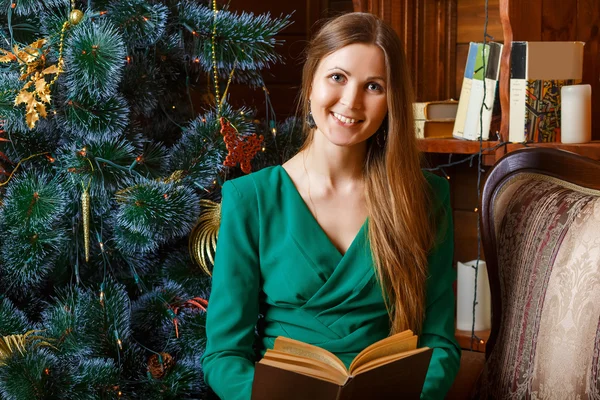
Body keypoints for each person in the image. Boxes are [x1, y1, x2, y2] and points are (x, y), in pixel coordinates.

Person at [201, 12, 460, 400]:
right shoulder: (250, 198)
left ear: (392, 102)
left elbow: (439, 343)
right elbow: (224, 356)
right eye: (337, 77)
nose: (351, 101)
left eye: (373, 86)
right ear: (311, 84)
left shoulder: (425, 198)